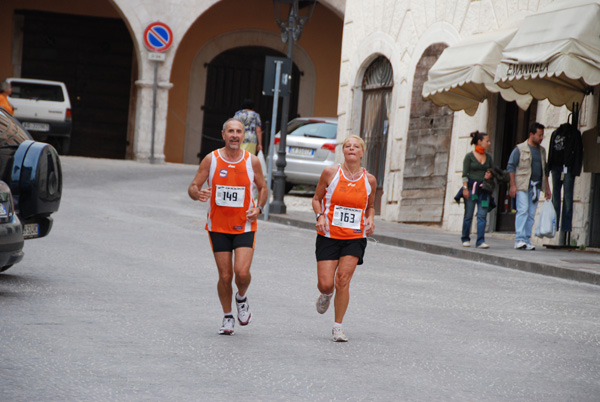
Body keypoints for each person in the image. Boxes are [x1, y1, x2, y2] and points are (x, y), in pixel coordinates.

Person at [188, 118, 268, 335]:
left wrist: (259, 208)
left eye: (239, 131)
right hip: (218, 226)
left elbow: (262, 188)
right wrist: (198, 194)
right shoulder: (210, 159)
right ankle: (227, 316)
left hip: (245, 225)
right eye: (230, 131)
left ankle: (241, 297)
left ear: (244, 136)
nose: (234, 135)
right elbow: (193, 186)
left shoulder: (252, 161)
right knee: (225, 276)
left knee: (241, 273)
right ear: (223, 134)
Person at [312, 135, 376, 342]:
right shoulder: (330, 172)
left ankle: (337, 327)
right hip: (329, 235)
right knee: (326, 283)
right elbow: (316, 199)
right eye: (347, 146)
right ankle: (326, 295)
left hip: (354, 237)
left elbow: (371, 206)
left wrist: (371, 219)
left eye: (355, 146)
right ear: (343, 151)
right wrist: (320, 215)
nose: (351, 149)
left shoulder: (370, 180)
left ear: (362, 152)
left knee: (343, 280)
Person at [507, 122, 552, 250]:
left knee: (531, 214)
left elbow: (545, 171)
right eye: (539, 135)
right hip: (522, 185)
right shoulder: (520, 148)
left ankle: (526, 239)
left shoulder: (542, 151)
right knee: (523, 210)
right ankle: (519, 239)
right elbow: (511, 166)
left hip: (536, 187)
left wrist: (547, 189)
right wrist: (512, 186)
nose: (541, 138)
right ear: (531, 134)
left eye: (542, 135)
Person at [461, 131, 494, 249]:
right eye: (487, 141)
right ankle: (465, 238)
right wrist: (465, 189)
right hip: (471, 189)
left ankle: (480, 241)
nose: (489, 143)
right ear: (479, 141)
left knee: (482, 215)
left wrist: (490, 175)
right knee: (468, 214)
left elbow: (492, 171)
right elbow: (465, 174)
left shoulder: (489, 157)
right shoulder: (469, 157)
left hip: (484, 190)